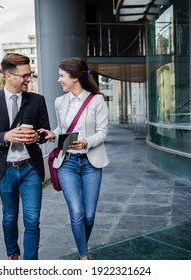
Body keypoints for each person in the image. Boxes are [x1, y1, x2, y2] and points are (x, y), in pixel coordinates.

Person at [0, 53, 51, 260]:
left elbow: (45, 132)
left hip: (30, 168)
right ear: (8, 76)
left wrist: (37, 137)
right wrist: (6, 136)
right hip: (5, 170)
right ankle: (12, 253)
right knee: (10, 216)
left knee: (32, 220)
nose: (29, 79)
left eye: (30, 74)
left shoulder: (37, 100)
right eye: (25, 75)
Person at [39, 57, 109, 260]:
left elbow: (103, 132)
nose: (59, 80)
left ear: (75, 76)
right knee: (76, 212)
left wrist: (86, 142)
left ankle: (82, 245)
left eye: (62, 76)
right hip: (67, 162)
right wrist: (53, 134)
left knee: (88, 215)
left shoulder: (97, 100)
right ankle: (83, 257)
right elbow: (63, 129)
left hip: (91, 163)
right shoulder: (60, 102)